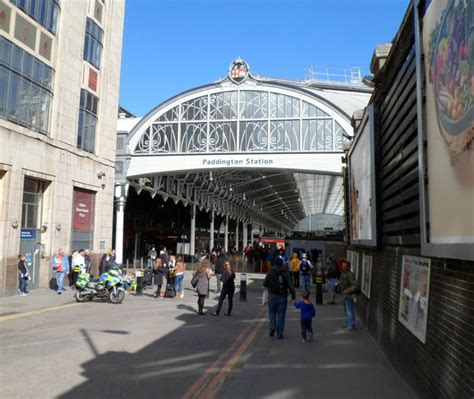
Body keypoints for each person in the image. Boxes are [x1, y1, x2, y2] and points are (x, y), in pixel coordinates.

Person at [263, 258, 295, 339]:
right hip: (282, 296)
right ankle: (279, 334)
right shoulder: (285, 272)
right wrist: (293, 295)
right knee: (281, 315)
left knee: (272, 313)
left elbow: (265, 283)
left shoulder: (271, 271)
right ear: (282, 264)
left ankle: (272, 326)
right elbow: (290, 285)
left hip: (272, 296)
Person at [339, 260, 360, 331]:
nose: (343, 267)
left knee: (349, 310)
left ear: (348, 267)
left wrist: (348, 291)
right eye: (343, 266)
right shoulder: (343, 273)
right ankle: (349, 323)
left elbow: (356, 285)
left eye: (345, 266)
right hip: (344, 295)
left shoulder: (350, 274)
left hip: (349, 295)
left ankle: (351, 325)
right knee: (346, 310)